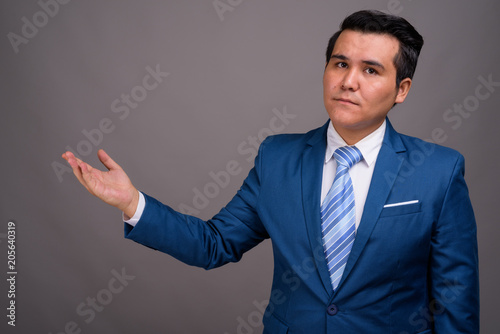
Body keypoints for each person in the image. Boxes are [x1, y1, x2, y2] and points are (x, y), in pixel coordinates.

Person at [62, 10, 479, 333]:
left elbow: (454, 297)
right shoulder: (277, 157)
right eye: (339, 64)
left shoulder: (439, 171)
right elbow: (215, 244)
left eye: (371, 70)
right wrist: (132, 202)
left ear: (401, 89)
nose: (349, 81)